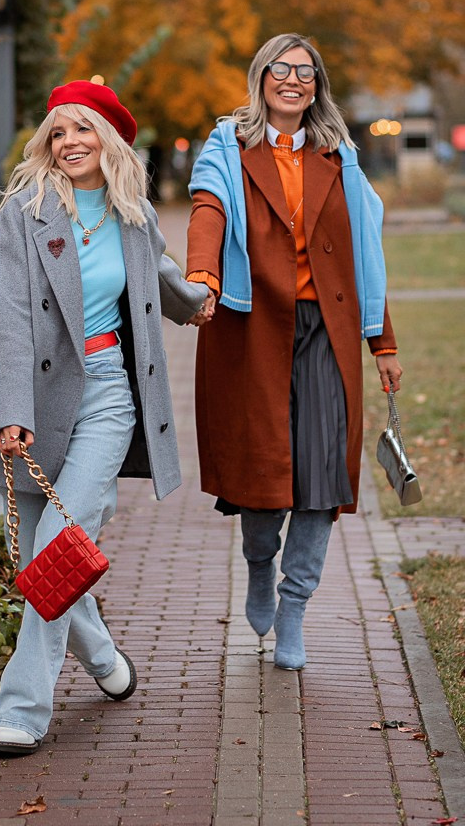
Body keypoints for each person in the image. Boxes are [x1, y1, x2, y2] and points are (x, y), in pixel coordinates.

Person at [0, 76, 215, 756]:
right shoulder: (23, 214)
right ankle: (104, 657)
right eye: (59, 131)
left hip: (111, 392)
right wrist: (10, 412)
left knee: (54, 547)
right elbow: (9, 322)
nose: (70, 141)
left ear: (107, 139)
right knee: (50, 549)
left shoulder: (132, 212)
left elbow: (162, 279)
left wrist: (200, 299)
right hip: (45, 398)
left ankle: (22, 708)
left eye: (82, 129)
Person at [186, 34, 401, 670]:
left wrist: (381, 340)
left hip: (326, 331)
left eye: (305, 72)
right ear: (261, 77)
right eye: (280, 69)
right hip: (252, 328)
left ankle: (295, 605)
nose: (292, 80)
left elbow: (367, 255)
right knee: (262, 477)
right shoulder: (229, 145)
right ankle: (259, 564)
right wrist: (202, 276)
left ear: (317, 86)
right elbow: (207, 210)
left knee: (321, 475)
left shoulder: (342, 156)